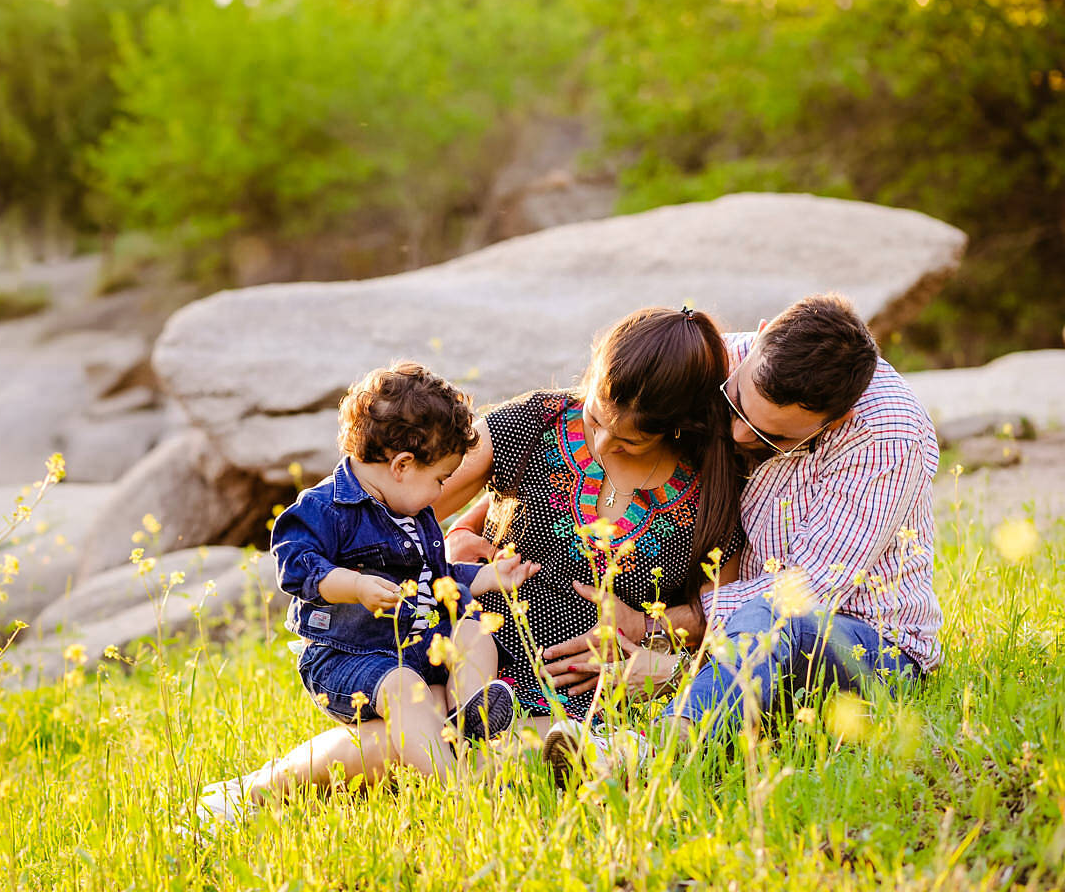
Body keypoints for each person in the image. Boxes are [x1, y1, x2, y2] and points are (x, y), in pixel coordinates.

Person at [507, 294, 942, 747]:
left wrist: (652, 627)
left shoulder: (886, 436)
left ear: (835, 423)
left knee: (780, 619)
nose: (736, 435)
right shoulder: (721, 358)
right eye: (735, 404)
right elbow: (609, 408)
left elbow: (806, 591)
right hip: (732, 637)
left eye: (769, 437)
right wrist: (478, 520)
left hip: (862, 643)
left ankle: (650, 750)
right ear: (760, 334)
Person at [187, 362, 538, 829]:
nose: (441, 491)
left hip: (413, 646)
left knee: (475, 633)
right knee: (405, 690)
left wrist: (486, 577)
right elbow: (295, 564)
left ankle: (465, 715)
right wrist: (352, 586)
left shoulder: (411, 511)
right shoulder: (325, 506)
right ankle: (462, 792)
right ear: (402, 465)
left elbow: (435, 576)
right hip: (349, 658)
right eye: (440, 479)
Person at [433, 305, 745, 762]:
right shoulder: (531, 422)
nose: (602, 446)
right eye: (596, 419)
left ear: (681, 425)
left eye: (629, 441)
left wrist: (650, 636)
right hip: (465, 664)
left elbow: (722, 616)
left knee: (519, 750)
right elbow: (402, 500)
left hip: (588, 703)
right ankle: (288, 779)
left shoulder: (711, 492)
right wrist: (450, 539)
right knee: (410, 737)